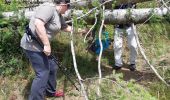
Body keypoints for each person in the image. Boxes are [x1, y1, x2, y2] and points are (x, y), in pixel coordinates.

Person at [20, 0, 72, 99]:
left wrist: (81, 30)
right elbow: (38, 23)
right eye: (68, 6)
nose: (68, 9)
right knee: (42, 73)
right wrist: (47, 45)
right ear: (63, 4)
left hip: (41, 46)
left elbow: (65, 27)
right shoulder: (49, 8)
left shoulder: (58, 14)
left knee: (52, 67)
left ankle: (50, 92)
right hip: (33, 46)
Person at [113, 3, 137, 71]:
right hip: (118, 26)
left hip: (130, 25)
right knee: (117, 46)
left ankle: (133, 63)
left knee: (133, 45)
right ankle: (118, 64)